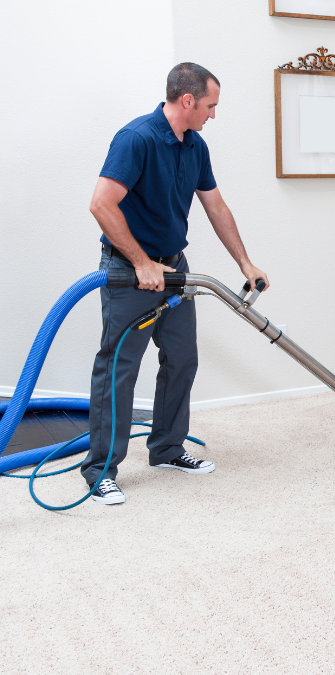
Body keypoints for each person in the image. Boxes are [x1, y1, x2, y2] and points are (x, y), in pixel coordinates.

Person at [82, 63, 269, 505]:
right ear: (187, 101)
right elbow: (101, 204)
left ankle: (166, 449)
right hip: (132, 273)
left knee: (182, 358)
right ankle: (100, 470)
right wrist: (142, 262)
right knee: (119, 370)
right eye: (210, 106)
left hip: (175, 270)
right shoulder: (137, 139)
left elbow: (216, 206)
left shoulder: (195, 146)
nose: (213, 115)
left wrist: (245, 263)